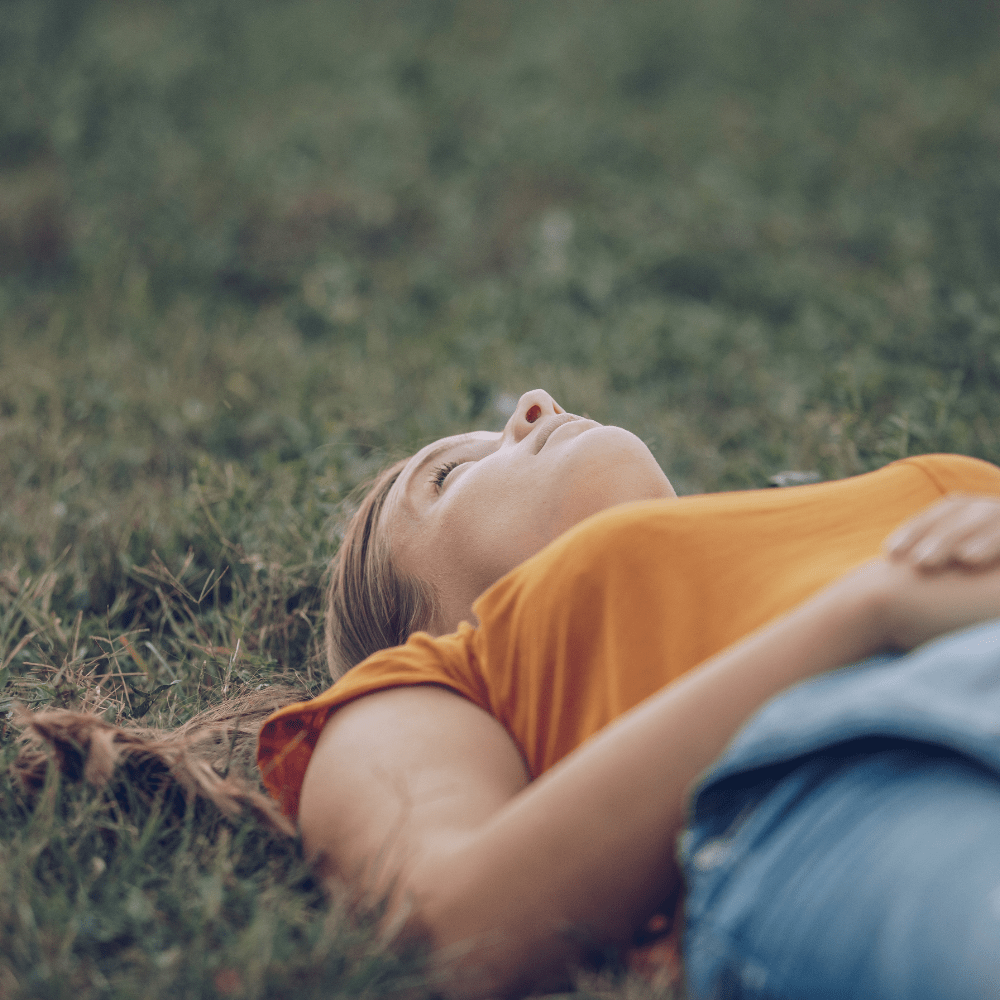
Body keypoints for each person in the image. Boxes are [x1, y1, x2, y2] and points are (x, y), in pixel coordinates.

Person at [257, 389, 1000, 999]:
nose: (534, 404)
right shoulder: (434, 682)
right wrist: (868, 613)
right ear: (423, 629)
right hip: (851, 778)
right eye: (447, 476)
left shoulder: (782, 528)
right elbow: (451, 933)